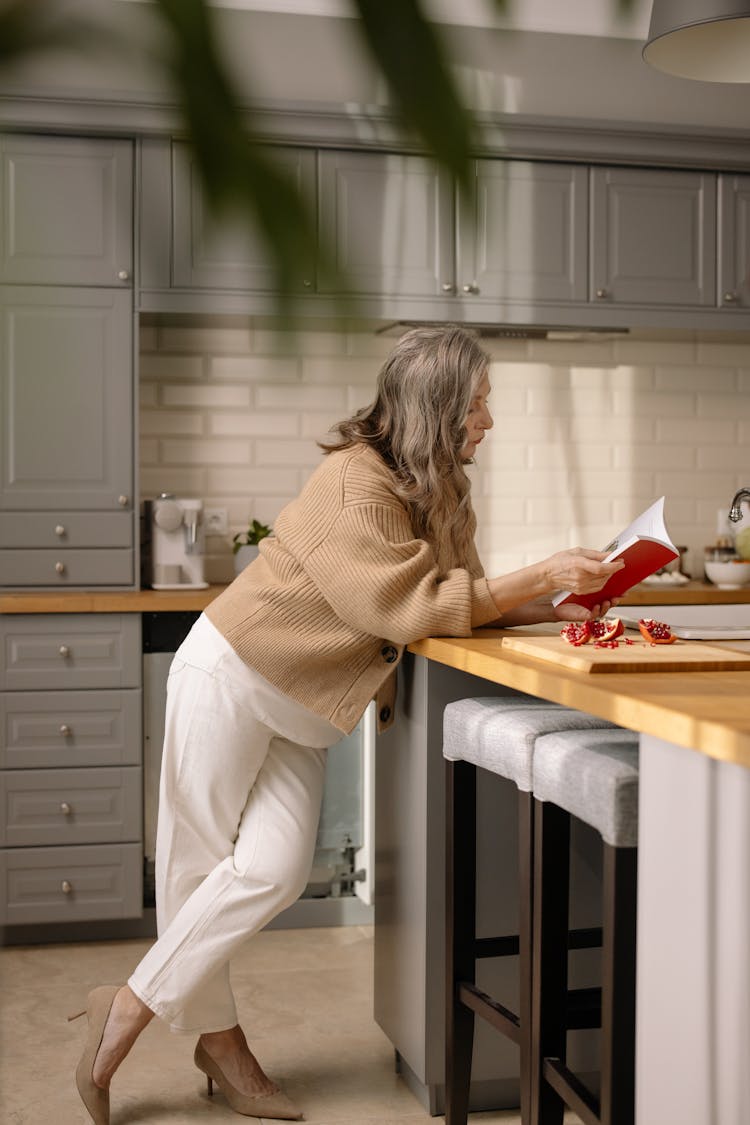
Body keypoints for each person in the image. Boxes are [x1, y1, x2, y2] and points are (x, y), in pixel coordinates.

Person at [70, 325, 624, 1124]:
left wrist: (565, 601)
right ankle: (194, 1038)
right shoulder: (352, 484)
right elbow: (406, 607)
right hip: (232, 671)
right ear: (438, 409)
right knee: (196, 865)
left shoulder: (435, 488)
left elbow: (457, 596)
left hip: (302, 708)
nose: (488, 423)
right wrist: (539, 571)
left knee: (273, 869)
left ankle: (125, 1002)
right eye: (479, 405)